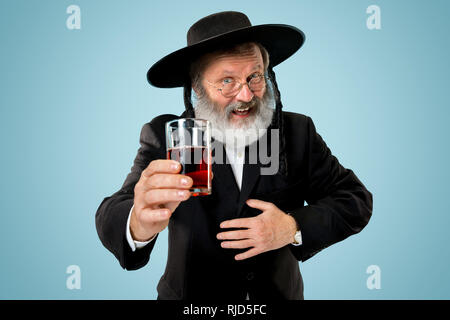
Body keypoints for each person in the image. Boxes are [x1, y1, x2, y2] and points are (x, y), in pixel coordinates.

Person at [95, 11, 373, 300]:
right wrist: (138, 222)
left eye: (254, 77)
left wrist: (292, 227)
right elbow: (112, 211)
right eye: (227, 81)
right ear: (197, 89)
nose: (246, 95)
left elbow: (354, 199)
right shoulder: (169, 137)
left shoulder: (296, 131)